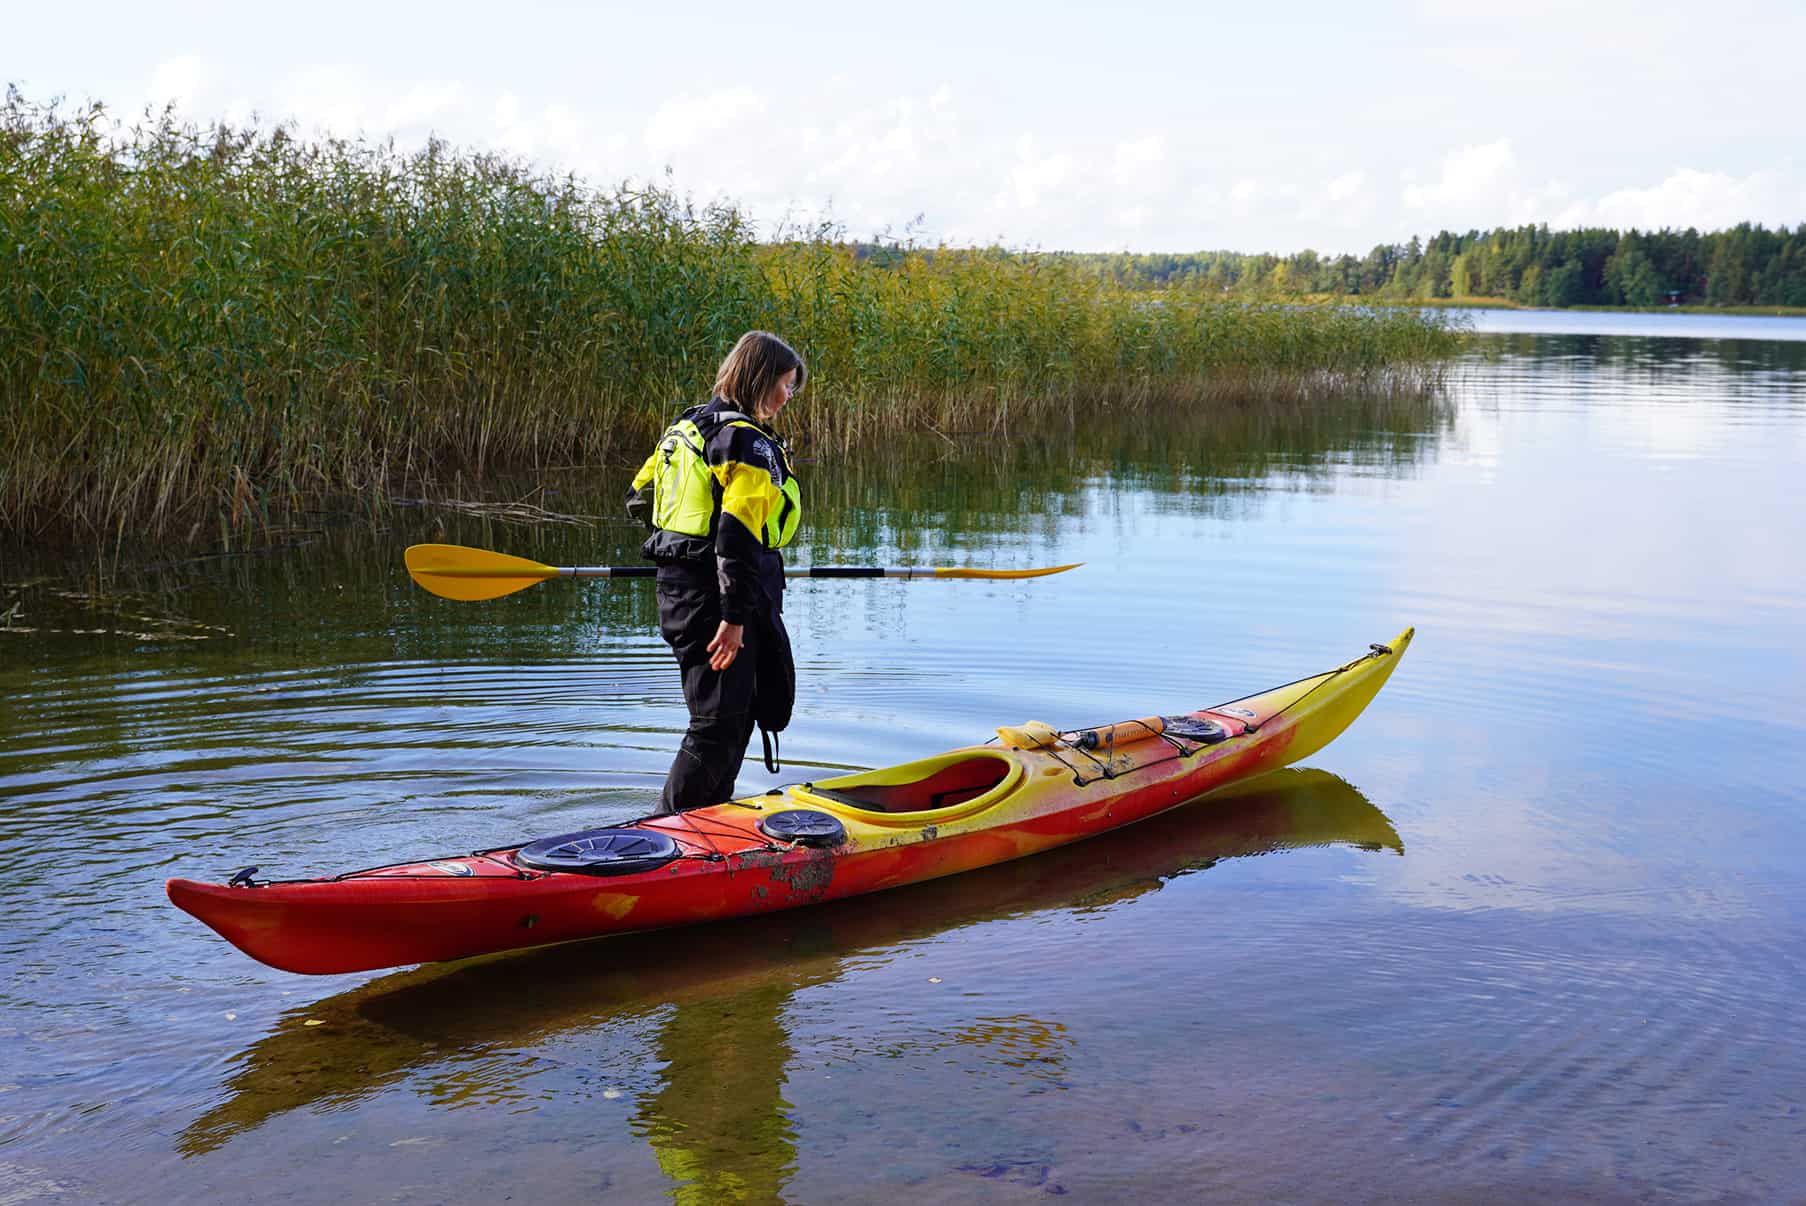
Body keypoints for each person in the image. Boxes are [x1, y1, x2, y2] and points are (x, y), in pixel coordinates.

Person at [627, 331, 805, 814]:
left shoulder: (687, 427)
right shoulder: (745, 439)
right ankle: (663, 831)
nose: (788, 397)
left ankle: (704, 822)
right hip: (721, 598)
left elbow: (640, 496)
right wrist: (734, 616)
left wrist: (678, 551)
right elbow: (737, 533)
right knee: (717, 722)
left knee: (736, 715)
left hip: (686, 591)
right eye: (786, 385)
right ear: (762, 379)